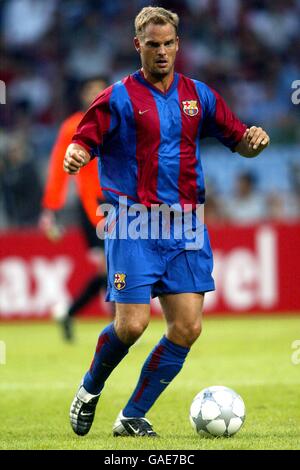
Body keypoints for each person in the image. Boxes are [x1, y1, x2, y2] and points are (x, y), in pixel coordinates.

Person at [64, 6, 270, 437]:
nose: (162, 52)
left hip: (186, 224)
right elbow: (83, 141)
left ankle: (132, 415)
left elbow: (240, 142)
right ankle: (89, 389)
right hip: (133, 221)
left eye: (169, 44)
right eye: (153, 45)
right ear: (138, 45)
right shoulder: (117, 97)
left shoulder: (200, 95)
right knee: (133, 324)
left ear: (178, 44)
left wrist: (254, 142)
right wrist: (78, 154)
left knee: (188, 326)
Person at [40, 76, 109, 341]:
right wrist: (51, 209)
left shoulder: (119, 118)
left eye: (100, 88)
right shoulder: (73, 126)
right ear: (81, 94)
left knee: (114, 269)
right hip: (94, 205)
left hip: (121, 203)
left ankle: (71, 314)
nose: (96, 93)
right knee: (110, 269)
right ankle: (75, 314)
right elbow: (59, 169)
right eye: (90, 89)